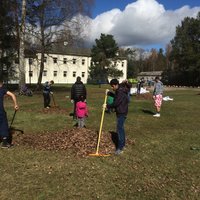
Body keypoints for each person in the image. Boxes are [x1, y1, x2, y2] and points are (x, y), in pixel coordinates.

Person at [105, 79, 129, 155]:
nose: (112, 88)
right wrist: (110, 93)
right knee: (121, 128)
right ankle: (122, 144)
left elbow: (116, 103)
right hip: (122, 111)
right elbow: (116, 97)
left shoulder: (120, 92)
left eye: (112, 86)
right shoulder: (119, 90)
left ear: (116, 85)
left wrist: (107, 106)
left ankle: (120, 148)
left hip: (121, 112)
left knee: (119, 129)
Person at [0, 79, 19, 148]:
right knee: (3, 125)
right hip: (0, 112)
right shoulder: (2, 89)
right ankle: (5, 143)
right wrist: (15, 104)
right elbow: (12, 95)